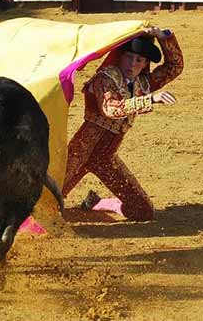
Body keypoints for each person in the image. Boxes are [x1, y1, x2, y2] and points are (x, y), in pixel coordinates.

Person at [63, 27, 184, 222]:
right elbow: (111, 109)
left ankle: (99, 204)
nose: (132, 64)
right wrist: (149, 99)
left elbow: (174, 67)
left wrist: (165, 37)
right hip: (80, 154)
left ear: (145, 63)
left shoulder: (142, 83)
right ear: (120, 56)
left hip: (106, 158)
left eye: (139, 60)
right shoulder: (105, 78)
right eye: (128, 57)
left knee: (142, 211)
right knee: (45, 204)